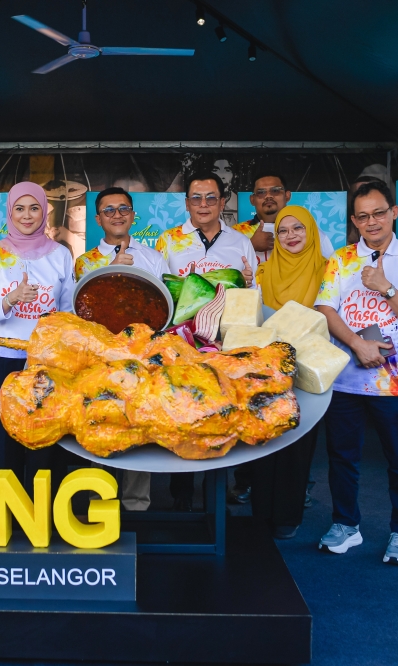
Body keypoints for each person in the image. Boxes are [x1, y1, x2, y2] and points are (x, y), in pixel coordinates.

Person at [315, 179, 398, 566]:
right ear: (354, 220)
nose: (372, 222)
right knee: (342, 456)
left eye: (379, 213)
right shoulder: (341, 258)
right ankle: (346, 525)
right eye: (363, 216)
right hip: (346, 378)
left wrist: (384, 287)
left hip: (395, 382)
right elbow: (325, 310)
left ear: (394, 212)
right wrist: (358, 345)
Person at [155, 171, 256, 510]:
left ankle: (218, 494)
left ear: (222, 202)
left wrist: (249, 282)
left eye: (211, 197)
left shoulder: (240, 241)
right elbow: (160, 294)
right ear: (186, 203)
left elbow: (251, 293)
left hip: (224, 345)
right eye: (196, 198)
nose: (203, 204)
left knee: (221, 412)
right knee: (182, 413)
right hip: (180, 345)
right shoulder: (169, 240)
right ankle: (180, 495)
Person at [74, 187, 169, 512]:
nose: (117, 214)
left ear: (132, 215)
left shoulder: (154, 258)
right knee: (99, 426)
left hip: (141, 360)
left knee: (137, 427)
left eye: (123, 208)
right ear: (98, 218)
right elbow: (81, 314)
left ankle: (136, 506)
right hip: (98, 361)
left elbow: (164, 311)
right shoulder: (85, 262)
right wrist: (112, 269)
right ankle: (98, 505)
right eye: (109, 210)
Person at [0, 181, 75, 499]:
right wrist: (11, 299)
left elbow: (69, 312)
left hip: (47, 364)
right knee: (2, 440)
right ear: (10, 212)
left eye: (34, 208)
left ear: (44, 211)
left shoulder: (60, 255)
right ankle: (4, 516)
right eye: (19, 208)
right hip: (3, 362)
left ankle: (42, 514)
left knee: (45, 440)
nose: (27, 215)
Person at [237, 206, 328, 538]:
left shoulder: (328, 269)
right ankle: (263, 512)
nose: (290, 236)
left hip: (309, 365)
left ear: (311, 232)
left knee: (298, 439)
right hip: (268, 367)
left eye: (297, 229)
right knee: (266, 437)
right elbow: (253, 316)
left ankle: (287, 516)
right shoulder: (263, 272)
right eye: (283, 231)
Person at [232, 172, 335, 264]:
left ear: (287, 196)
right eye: (261, 192)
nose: (268, 196)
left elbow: (331, 269)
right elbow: (222, 267)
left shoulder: (310, 231)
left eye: (275, 190)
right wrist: (251, 245)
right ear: (252, 200)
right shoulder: (236, 233)